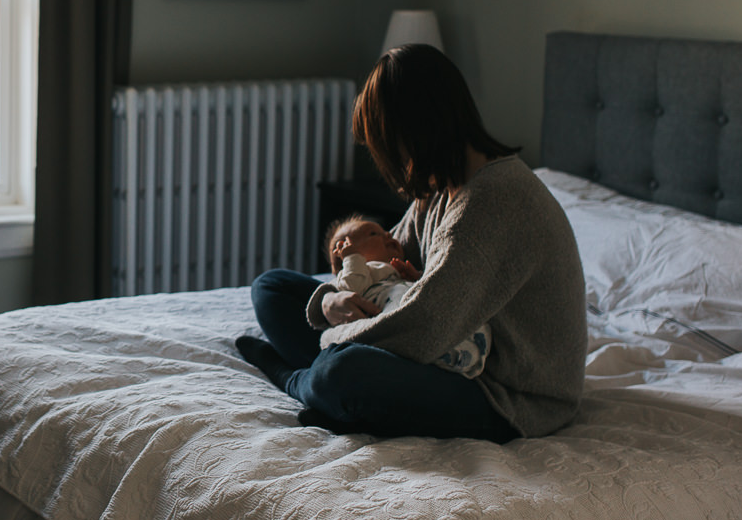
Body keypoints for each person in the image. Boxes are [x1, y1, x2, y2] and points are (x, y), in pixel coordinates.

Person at [235, 43, 586, 442]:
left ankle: (294, 378)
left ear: (414, 132)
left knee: (341, 371)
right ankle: (327, 389)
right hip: (442, 355)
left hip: (505, 393)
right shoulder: (441, 189)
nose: (393, 166)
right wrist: (331, 300)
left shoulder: (493, 202)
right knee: (272, 287)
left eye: (388, 149)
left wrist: (334, 338)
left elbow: (423, 328)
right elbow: (381, 257)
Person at [324, 215, 491, 379]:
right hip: (390, 317)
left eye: (385, 232)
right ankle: (441, 351)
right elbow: (353, 287)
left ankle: (464, 348)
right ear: (345, 253)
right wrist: (352, 259)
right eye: (373, 234)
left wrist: (418, 279)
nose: (389, 234)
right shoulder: (358, 272)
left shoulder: (396, 270)